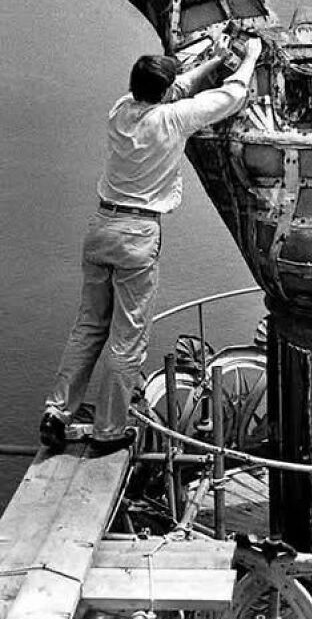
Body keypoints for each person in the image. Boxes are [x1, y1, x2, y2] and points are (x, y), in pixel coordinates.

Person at [39, 35, 262, 453]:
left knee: (88, 327)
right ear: (164, 91)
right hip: (137, 236)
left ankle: (57, 412)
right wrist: (249, 57)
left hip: (101, 226)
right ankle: (108, 429)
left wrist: (212, 62)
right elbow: (232, 96)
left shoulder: (121, 111)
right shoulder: (173, 120)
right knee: (127, 339)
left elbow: (174, 89)